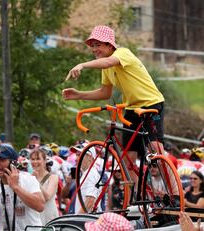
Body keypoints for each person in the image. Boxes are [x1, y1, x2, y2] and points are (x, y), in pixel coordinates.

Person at [63, 25, 165, 185]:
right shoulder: (106, 67)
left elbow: (109, 62)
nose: (94, 49)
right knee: (128, 161)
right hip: (132, 109)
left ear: (109, 45)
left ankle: (174, 195)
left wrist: (82, 65)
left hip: (152, 103)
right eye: (92, 46)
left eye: (98, 45)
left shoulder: (122, 53)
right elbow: (105, 93)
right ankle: (145, 198)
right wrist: (79, 94)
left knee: (156, 150)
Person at [0, 144, 45, 230]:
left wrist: (16, 187)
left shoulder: (28, 179)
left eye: (1, 160)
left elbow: (40, 206)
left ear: (13, 163)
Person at [30, 148, 59, 224]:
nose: (35, 162)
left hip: (49, 220)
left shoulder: (53, 177)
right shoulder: (29, 178)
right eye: (33, 159)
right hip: (34, 220)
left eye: (38, 159)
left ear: (45, 161)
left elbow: (47, 197)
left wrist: (35, 181)